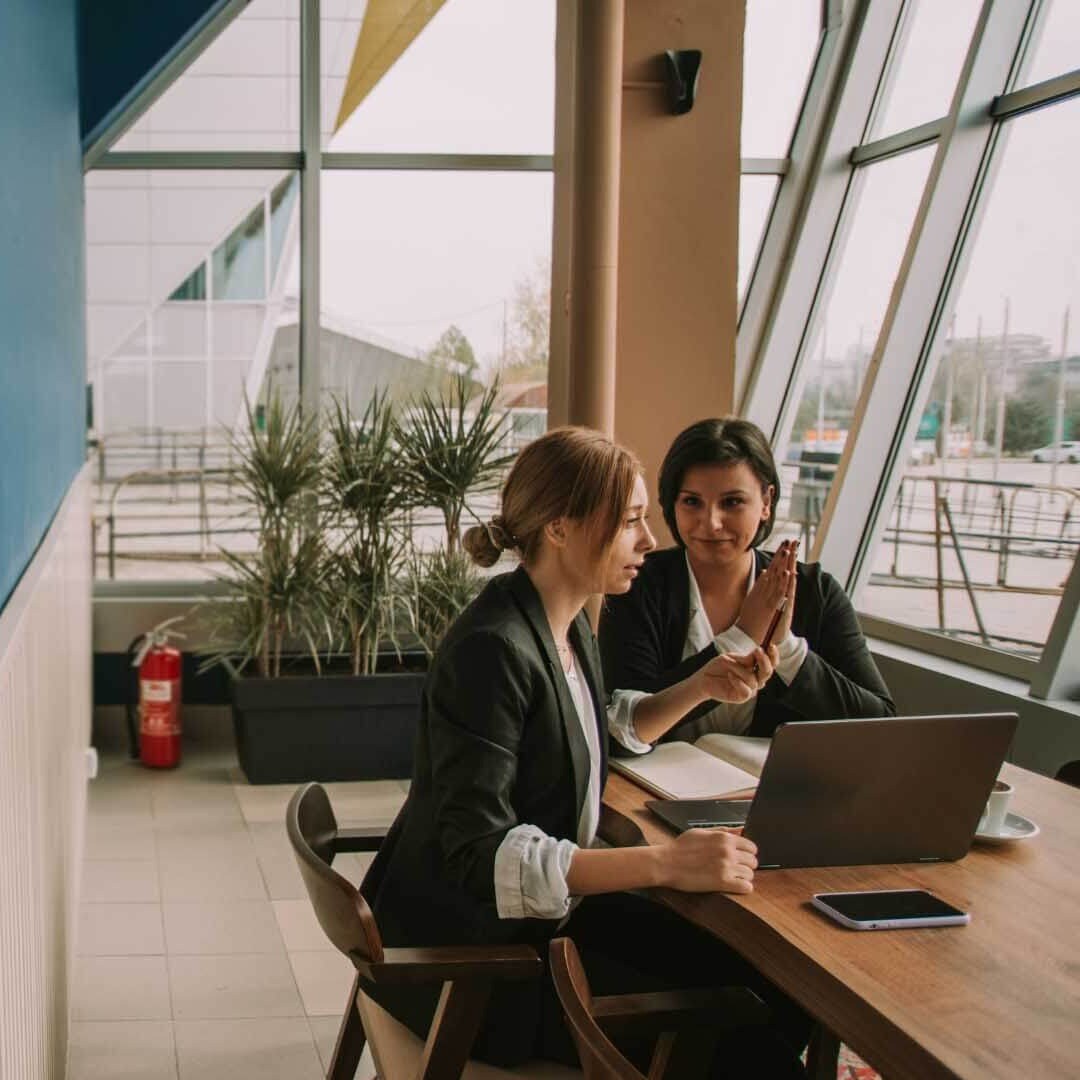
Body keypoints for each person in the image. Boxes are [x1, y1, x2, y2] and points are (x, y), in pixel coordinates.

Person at [360, 426, 810, 1075]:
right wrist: (663, 864)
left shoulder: (559, 623)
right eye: (628, 522)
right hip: (473, 964)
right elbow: (483, 857)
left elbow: (589, 723)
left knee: (770, 983)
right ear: (561, 528)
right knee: (748, 1041)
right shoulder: (493, 650)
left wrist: (699, 687)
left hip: (535, 924)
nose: (649, 541)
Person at [599, 417, 894, 755]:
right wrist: (744, 637)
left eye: (732, 502)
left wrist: (786, 648)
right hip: (653, 793)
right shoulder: (637, 584)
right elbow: (620, 730)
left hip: (775, 795)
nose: (711, 523)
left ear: (766, 501)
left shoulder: (816, 591)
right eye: (692, 502)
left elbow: (880, 724)